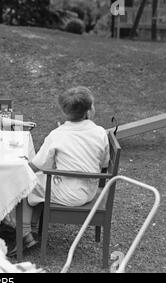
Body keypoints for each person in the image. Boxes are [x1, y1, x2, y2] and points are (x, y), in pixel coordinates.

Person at [9, 86, 110, 256]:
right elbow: (104, 162)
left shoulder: (58, 134)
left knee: (26, 182)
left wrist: (20, 167)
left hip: (69, 193)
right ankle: (32, 228)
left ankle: (25, 234)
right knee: (39, 181)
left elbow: (39, 164)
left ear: (64, 112)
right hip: (90, 190)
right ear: (90, 109)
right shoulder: (100, 132)